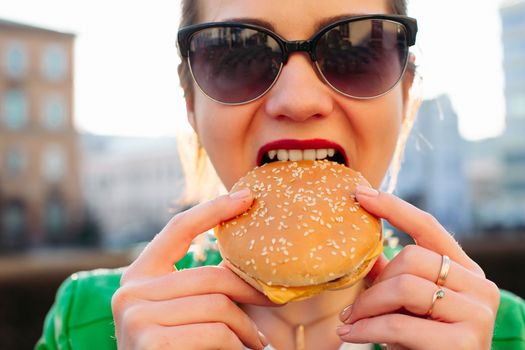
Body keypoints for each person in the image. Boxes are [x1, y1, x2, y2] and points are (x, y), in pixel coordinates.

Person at [37, 1, 525, 349]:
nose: (298, 100)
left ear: (406, 96)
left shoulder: (503, 330)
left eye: (355, 50)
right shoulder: (86, 319)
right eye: (238, 54)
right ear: (192, 104)